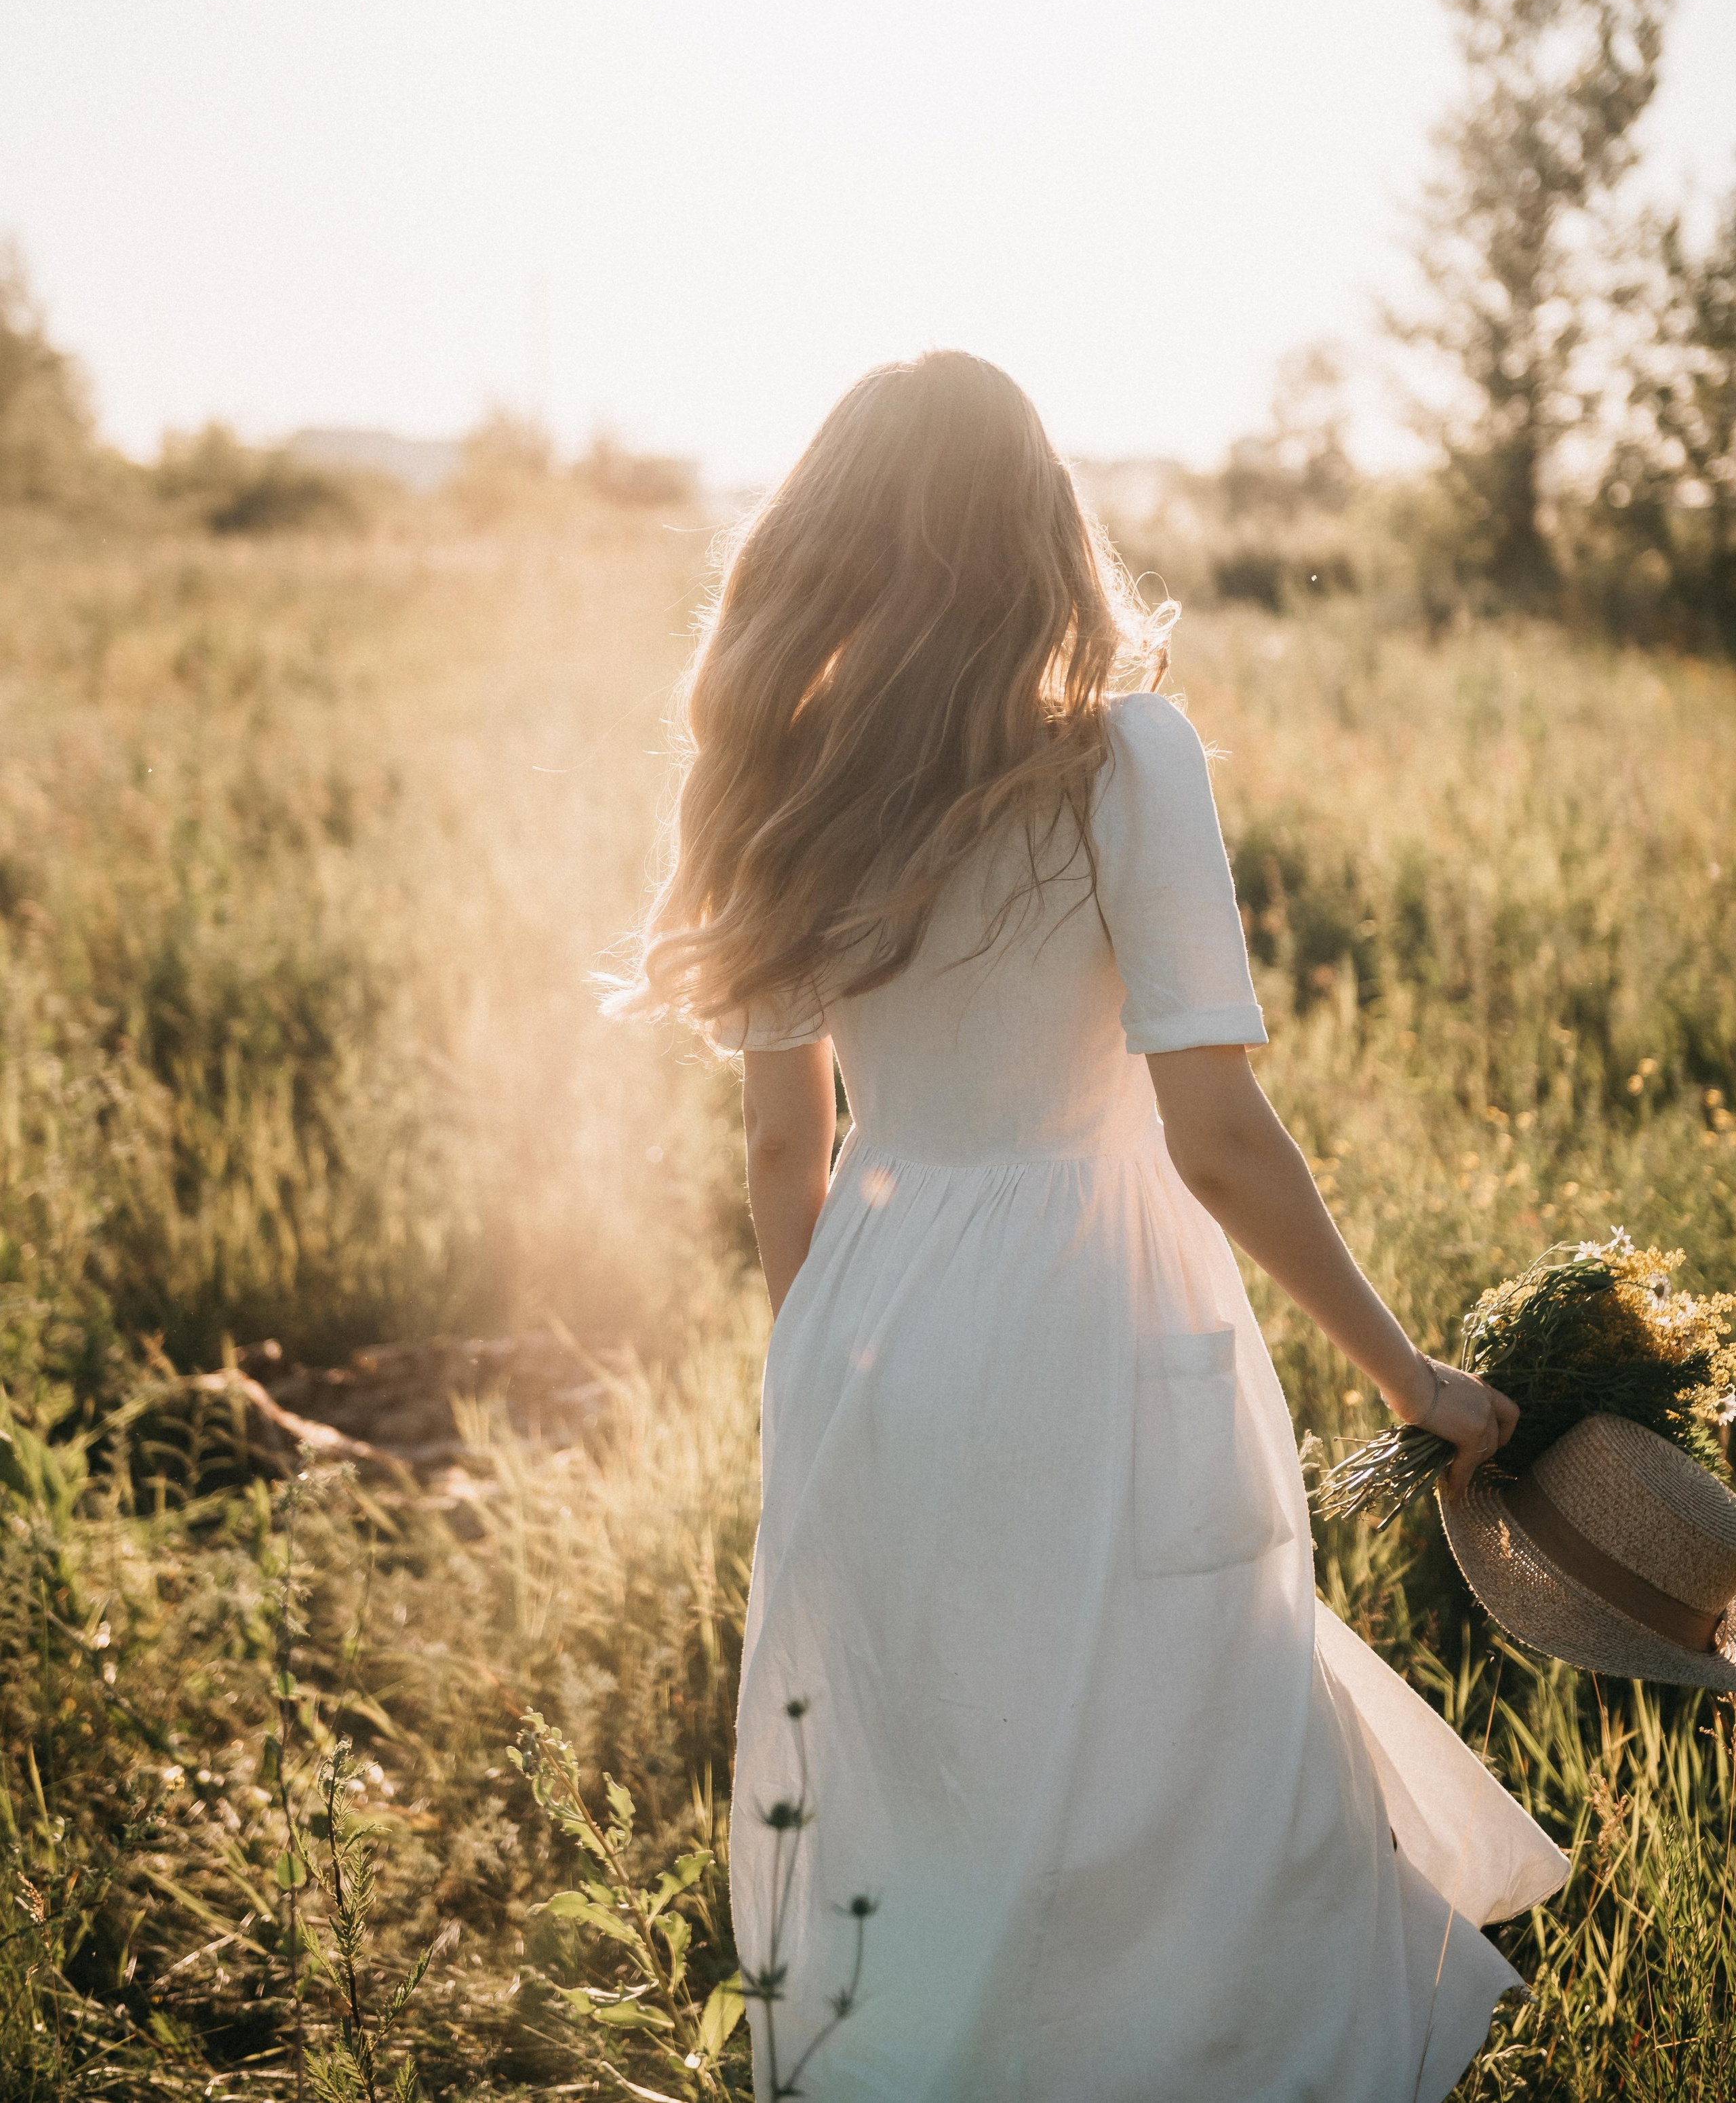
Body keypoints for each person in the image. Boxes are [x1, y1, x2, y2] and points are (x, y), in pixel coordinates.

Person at [623, 351, 1568, 2102]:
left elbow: (781, 1150)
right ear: (1040, 531)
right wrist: (1411, 1373)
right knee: (1184, 1740)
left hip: (872, 1314)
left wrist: (830, 1370)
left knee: (924, 1754)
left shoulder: (784, 779)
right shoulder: (1130, 756)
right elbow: (1214, 1137)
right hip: (1100, 1307)